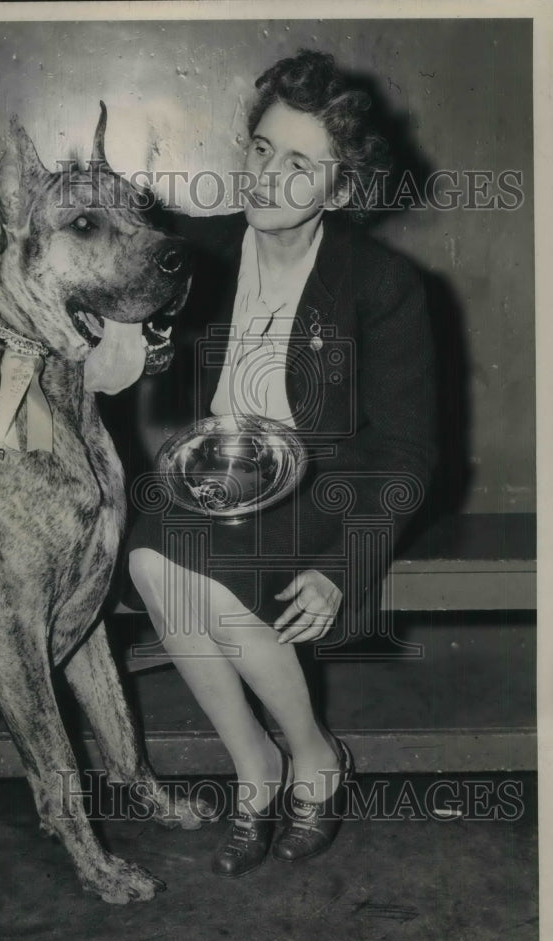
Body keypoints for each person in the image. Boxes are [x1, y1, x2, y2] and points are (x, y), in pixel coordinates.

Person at [124, 50, 437, 877]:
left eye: (300, 165)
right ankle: (255, 766)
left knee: (209, 577)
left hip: (330, 485)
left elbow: (408, 452)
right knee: (153, 557)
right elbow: (139, 348)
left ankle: (314, 755)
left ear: (338, 191)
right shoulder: (200, 253)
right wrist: (142, 342)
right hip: (217, 474)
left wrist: (344, 567)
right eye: (262, 150)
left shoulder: (384, 284)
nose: (266, 178)